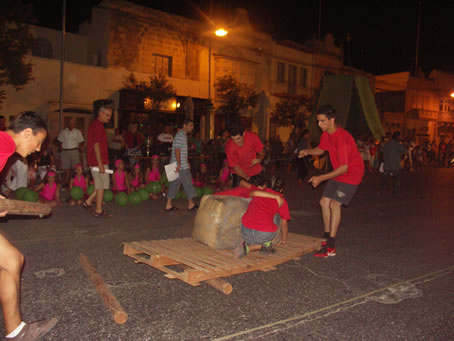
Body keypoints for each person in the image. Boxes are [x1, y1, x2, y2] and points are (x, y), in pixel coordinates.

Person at [0, 111, 57, 340]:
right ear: (26, 133)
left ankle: (18, 332)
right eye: (39, 141)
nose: (37, 149)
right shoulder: (3, 144)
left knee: (13, 260)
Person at [298, 105, 364, 258]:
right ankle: (327, 238)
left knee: (335, 204)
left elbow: (344, 167)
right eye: (318, 121)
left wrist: (320, 178)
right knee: (323, 202)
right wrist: (307, 151)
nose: (319, 124)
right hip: (339, 172)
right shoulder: (327, 134)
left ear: (332, 120)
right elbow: (321, 149)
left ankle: (331, 247)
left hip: (351, 174)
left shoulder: (342, 138)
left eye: (322, 121)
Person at [232, 175, 290, 258]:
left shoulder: (258, 192)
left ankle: (248, 243)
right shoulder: (281, 200)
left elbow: (250, 192)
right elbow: (284, 224)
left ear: (266, 185)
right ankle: (259, 246)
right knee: (277, 216)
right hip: (263, 235)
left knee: (257, 211)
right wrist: (283, 240)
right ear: (281, 189)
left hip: (245, 232)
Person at [82, 99, 113, 217]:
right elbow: (96, 145)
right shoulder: (97, 126)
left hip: (98, 161)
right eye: (107, 115)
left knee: (102, 185)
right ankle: (98, 211)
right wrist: (100, 164)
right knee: (101, 186)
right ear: (100, 113)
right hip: (98, 162)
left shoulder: (97, 125)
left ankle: (88, 201)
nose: (109, 118)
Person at [165, 119, 198, 211]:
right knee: (188, 183)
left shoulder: (181, 135)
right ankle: (191, 204)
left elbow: (181, 151)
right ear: (185, 125)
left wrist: (185, 161)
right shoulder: (181, 135)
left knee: (174, 184)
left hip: (179, 164)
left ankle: (168, 204)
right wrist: (179, 163)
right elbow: (177, 150)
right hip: (181, 166)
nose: (192, 128)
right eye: (190, 125)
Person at [225, 122, 266, 187]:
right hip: (240, 173)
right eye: (233, 139)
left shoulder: (252, 137)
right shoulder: (229, 147)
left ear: (243, 133)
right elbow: (235, 167)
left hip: (255, 170)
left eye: (238, 138)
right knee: (240, 195)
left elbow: (262, 151)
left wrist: (259, 159)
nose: (236, 142)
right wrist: (248, 178)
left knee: (261, 192)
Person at [57, 117, 84, 188]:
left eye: (73, 122)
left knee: (75, 168)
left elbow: (80, 143)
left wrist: (80, 152)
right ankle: (66, 183)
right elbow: (60, 142)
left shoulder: (78, 132)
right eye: (71, 122)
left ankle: (75, 182)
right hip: (65, 151)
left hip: (75, 151)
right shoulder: (63, 132)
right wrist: (60, 150)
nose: (72, 124)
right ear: (68, 123)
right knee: (66, 169)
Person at [379, 131, 406, 196]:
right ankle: (395, 192)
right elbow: (405, 151)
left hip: (387, 165)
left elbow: (381, 149)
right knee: (396, 180)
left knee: (385, 180)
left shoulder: (387, 144)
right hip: (395, 165)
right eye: (400, 136)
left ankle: (381, 191)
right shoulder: (398, 145)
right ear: (398, 137)